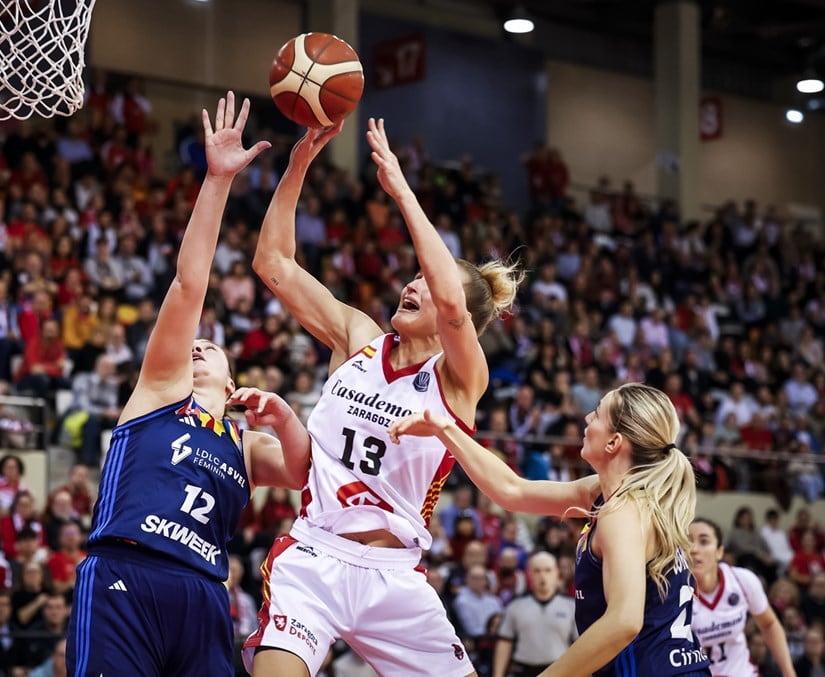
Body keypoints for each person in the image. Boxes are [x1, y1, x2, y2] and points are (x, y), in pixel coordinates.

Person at [245, 118, 522, 677]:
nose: (413, 283)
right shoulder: (359, 338)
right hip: (315, 556)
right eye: (413, 275)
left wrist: (401, 190)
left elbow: (450, 302)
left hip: (395, 577)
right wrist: (297, 165)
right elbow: (273, 265)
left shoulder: (461, 378)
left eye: (426, 277)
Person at [65, 91, 309, 677]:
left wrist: (285, 418)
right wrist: (218, 180)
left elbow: (304, 474)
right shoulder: (159, 389)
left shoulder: (246, 444)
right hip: (128, 572)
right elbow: (189, 287)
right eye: (196, 343)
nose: (198, 345)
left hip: (203, 594)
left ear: (232, 383)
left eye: (212, 347)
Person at [388, 383, 710, 676]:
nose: (586, 418)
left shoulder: (623, 512)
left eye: (597, 413)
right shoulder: (610, 495)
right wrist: (446, 429)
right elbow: (512, 491)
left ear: (614, 442)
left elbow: (624, 621)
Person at [688, 517, 794, 677]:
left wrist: (788, 672)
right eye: (688, 542)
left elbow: (769, 624)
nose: (694, 549)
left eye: (704, 541)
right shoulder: (673, 593)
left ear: (719, 552)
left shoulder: (742, 580)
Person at [493, 551, 578, 677]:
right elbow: (505, 643)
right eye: (537, 571)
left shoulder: (571, 606)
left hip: (560, 670)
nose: (542, 575)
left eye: (548, 570)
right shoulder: (515, 606)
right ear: (530, 574)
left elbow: (579, 644)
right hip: (524, 670)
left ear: (556, 573)